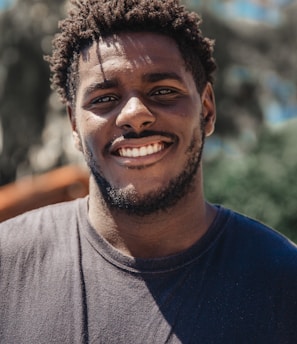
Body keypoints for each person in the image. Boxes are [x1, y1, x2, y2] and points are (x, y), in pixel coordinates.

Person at [0, 0, 296, 343]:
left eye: (163, 91)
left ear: (207, 109)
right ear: (74, 125)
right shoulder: (9, 265)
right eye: (104, 98)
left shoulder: (282, 280)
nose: (135, 114)